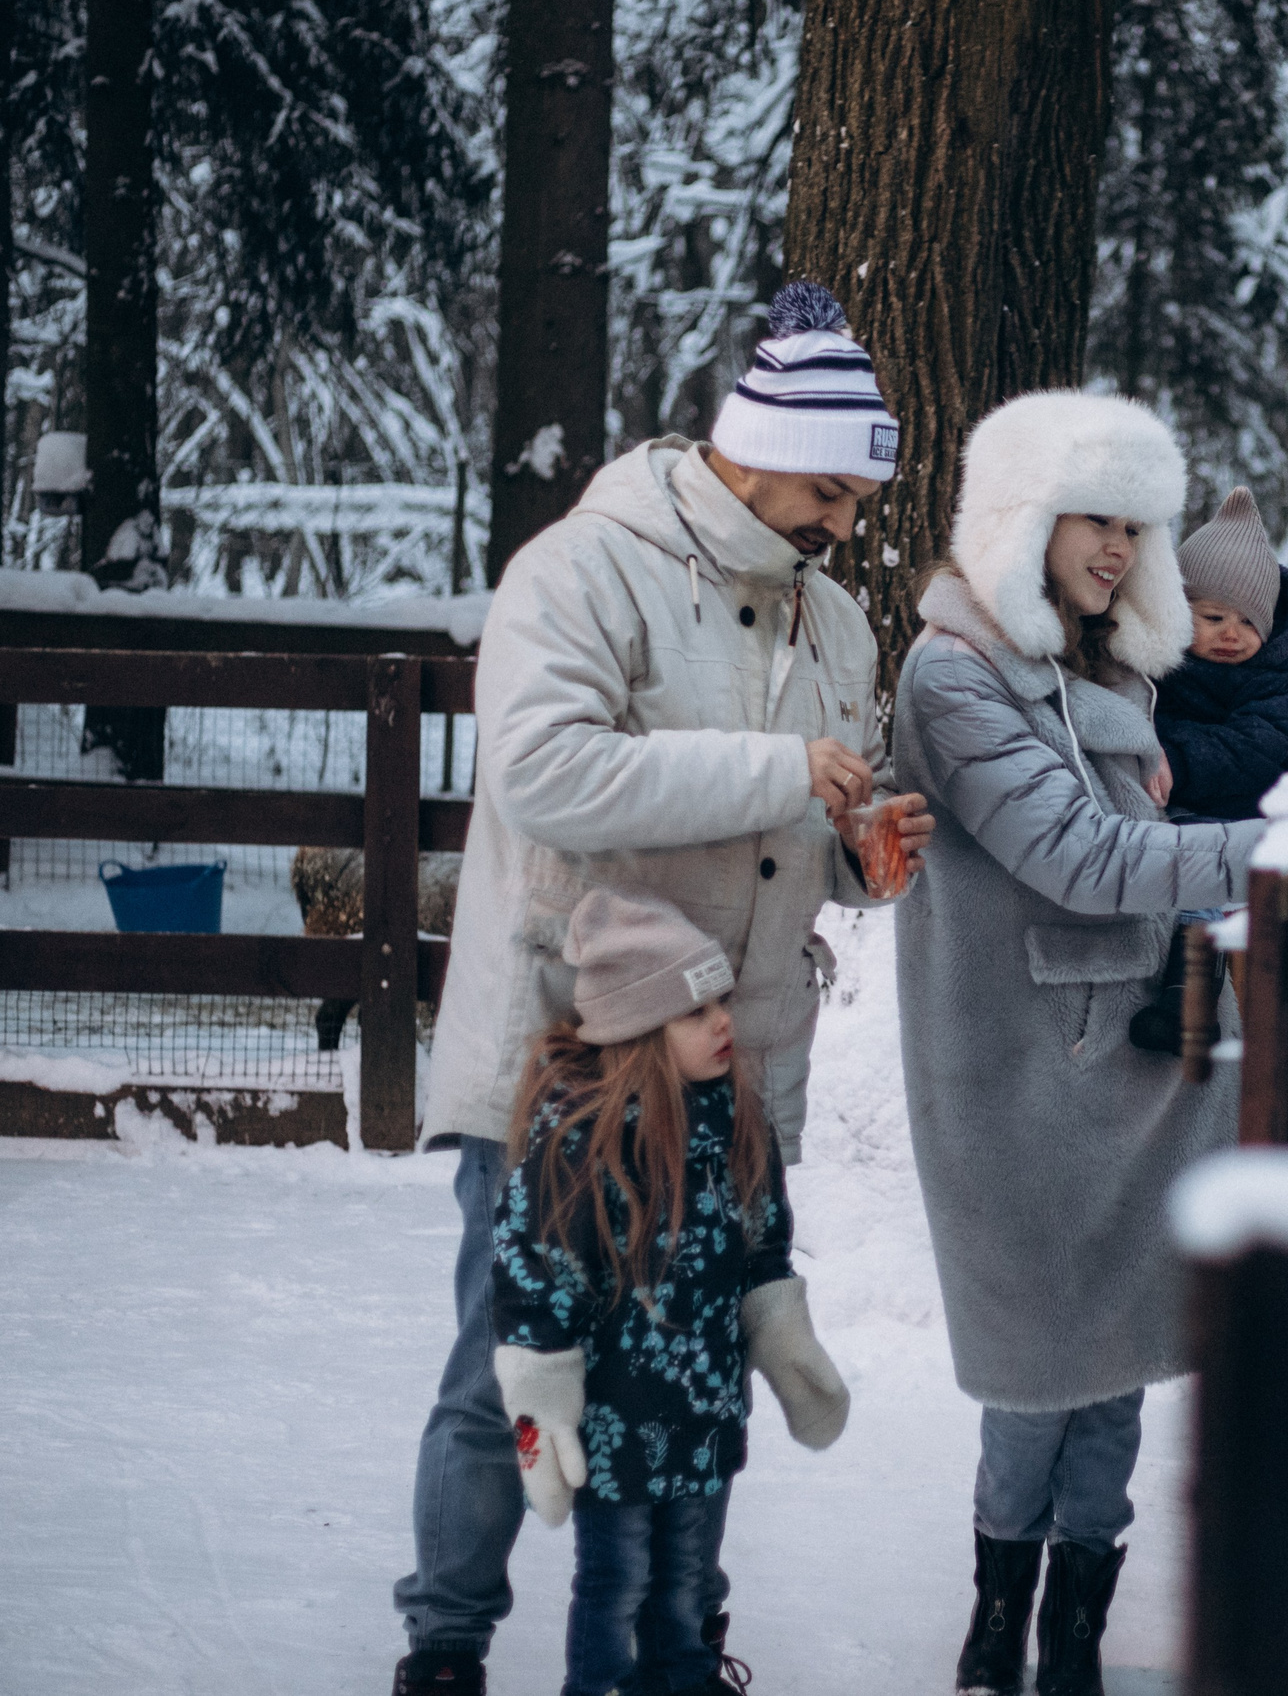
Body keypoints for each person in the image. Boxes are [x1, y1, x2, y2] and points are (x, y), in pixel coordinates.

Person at [392, 279, 932, 1696]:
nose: (845, 524)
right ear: (750, 451)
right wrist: (780, 772)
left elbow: (790, 846)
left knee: (689, 1378)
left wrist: (861, 860)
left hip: (726, 1075)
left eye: (858, 498)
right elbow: (544, 773)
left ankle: (667, 1645)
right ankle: (445, 1642)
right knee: (506, 1363)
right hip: (561, 1054)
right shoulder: (580, 570)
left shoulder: (838, 631)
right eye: (827, 488)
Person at [893, 390, 1266, 1696]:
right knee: (1040, 1359)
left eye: (1132, 524)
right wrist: (1269, 852)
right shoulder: (955, 674)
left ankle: (1075, 1635)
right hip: (1015, 1060)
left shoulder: (1106, 669)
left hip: (1129, 1054)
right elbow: (1079, 854)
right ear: (1023, 519)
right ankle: (1000, 1618)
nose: (1114, 547)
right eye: (1091, 518)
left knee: (1117, 1352)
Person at [492, 888, 850, 1696]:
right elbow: (536, 1274)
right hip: (615, 1434)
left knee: (685, 1596)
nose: (723, 1021)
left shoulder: (736, 1119)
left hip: (702, 1422)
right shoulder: (577, 1141)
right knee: (615, 1591)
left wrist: (782, 1332)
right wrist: (540, 1403)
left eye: (721, 1001)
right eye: (697, 1012)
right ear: (640, 1031)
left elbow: (762, 1240)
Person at [1126, 485, 1288, 1052]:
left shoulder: (1273, 682)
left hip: (1239, 809)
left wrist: (1176, 759)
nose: (1231, 634)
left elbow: (1252, 748)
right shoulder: (1162, 664)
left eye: (1249, 622)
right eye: (1212, 616)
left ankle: (1190, 997)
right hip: (1172, 802)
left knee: (1198, 885)